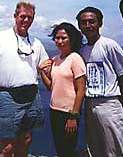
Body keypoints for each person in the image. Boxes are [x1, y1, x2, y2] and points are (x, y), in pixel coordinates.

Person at [0, 1, 49, 157]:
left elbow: (45, 65)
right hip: (9, 96)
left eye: (30, 17)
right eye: (23, 17)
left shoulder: (36, 43)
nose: (26, 21)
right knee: (8, 146)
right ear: (15, 16)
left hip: (32, 96)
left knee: (26, 139)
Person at [76, 6, 123, 157]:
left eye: (91, 21)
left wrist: (118, 98)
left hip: (109, 104)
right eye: (84, 22)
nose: (88, 26)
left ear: (100, 23)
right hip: (90, 104)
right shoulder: (82, 50)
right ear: (79, 26)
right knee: (95, 148)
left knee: (115, 148)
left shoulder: (109, 45)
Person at [39, 22, 86, 157]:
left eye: (63, 38)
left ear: (72, 39)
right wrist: (42, 71)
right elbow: (51, 87)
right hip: (54, 111)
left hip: (69, 112)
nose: (59, 41)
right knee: (60, 149)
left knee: (68, 149)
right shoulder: (55, 60)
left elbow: (81, 90)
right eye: (57, 38)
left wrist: (73, 116)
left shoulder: (75, 58)